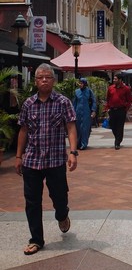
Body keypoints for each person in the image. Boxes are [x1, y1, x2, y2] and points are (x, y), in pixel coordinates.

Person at [15, 63, 78, 256]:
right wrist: (18, 156)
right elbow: (23, 130)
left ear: (53, 80)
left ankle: (62, 215)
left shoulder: (63, 102)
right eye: (40, 77)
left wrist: (73, 152)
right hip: (32, 160)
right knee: (32, 202)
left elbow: (71, 127)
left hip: (55, 160)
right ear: (35, 81)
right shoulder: (28, 104)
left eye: (48, 77)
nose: (44, 80)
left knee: (59, 197)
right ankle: (36, 240)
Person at [105, 73, 132, 150]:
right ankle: (117, 137)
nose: (114, 80)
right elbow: (108, 99)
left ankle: (117, 142)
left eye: (115, 79)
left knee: (120, 127)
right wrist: (107, 108)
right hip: (112, 110)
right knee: (112, 126)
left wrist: (126, 109)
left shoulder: (126, 89)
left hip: (121, 110)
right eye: (114, 79)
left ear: (120, 80)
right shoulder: (111, 88)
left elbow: (129, 100)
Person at [73, 78, 96, 150]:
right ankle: (78, 143)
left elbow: (93, 101)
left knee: (85, 128)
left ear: (85, 84)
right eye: (79, 83)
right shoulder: (77, 91)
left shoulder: (89, 91)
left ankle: (84, 144)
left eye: (81, 83)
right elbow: (74, 102)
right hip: (78, 111)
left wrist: (93, 110)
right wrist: (72, 112)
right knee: (78, 128)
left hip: (86, 112)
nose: (80, 84)